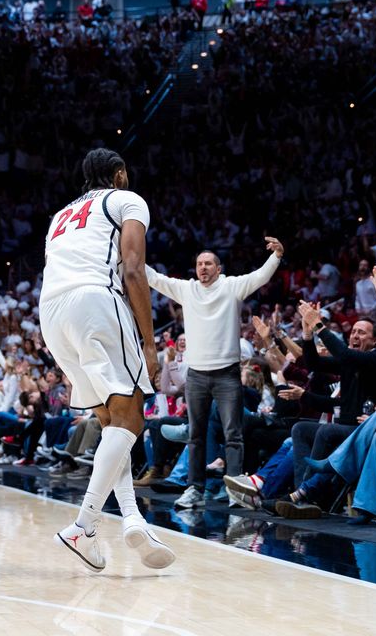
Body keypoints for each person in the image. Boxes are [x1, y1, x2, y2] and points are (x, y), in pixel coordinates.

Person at [41, 148, 174, 572]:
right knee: (132, 416)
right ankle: (84, 524)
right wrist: (150, 344)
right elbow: (133, 269)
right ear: (119, 175)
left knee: (111, 421)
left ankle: (132, 517)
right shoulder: (126, 199)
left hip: (51, 313)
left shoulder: (60, 216)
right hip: (95, 300)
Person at [147, 236, 284, 508]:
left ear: (218, 268)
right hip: (196, 375)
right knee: (196, 434)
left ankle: (234, 489)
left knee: (233, 434)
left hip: (226, 374)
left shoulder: (232, 286)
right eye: (199, 264)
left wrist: (277, 256)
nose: (203, 268)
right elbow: (155, 278)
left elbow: (260, 276)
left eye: (209, 263)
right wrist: (132, 256)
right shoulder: (187, 289)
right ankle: (195, 489)